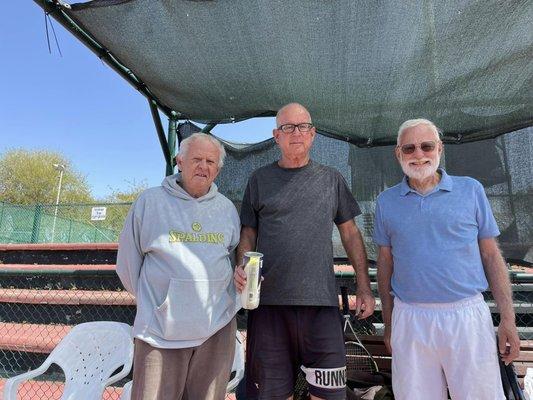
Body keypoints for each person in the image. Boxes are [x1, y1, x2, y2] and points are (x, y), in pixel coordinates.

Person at [234, 103, 375, 400]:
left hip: (322, 309)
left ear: (312, 134)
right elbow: (248, 233)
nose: (295, 132)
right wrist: (243, 268)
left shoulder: (332, 179)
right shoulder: (259, 180)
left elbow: (350, 232)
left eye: (302, 127)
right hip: (269, 309)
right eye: (287, 127)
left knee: (329, 396)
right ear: (276, 136)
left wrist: (364, 286)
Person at [374, 118, 520, 399]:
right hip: (411, 318)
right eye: (409, 148)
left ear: (439, 148)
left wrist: (508, 320)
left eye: (426, 146)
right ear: (398, 153)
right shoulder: (386, 202)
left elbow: (491, 255)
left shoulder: (471, 190)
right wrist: (390, 324)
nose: (418, 155)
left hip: (466, 316)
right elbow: (385, 264)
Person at [116, 133, 241, 400]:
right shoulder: (149, 202)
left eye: (210, 161)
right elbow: (128, 264)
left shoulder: (227, 209)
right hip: (160, 334)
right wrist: (159, 303)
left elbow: (230, 259)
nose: (203, 166)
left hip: (216, 331)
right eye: (196, 159)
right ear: (180, 161)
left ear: (217, 170)